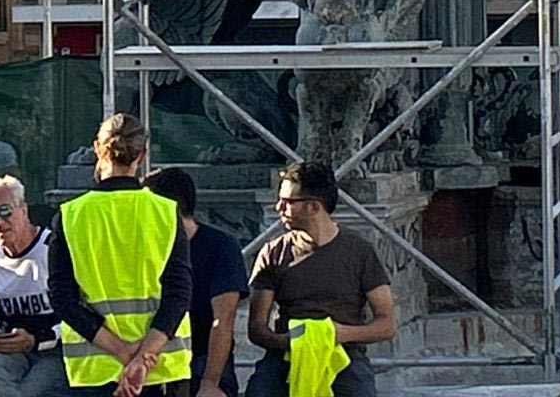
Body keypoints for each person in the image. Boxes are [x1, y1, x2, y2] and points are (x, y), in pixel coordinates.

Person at [48, 114, 192, 396]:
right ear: (142, 156)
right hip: (160, 368)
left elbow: (63, 300)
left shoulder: (71, 215)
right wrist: (141, 357)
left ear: (96, 149)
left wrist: (124, 353)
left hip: (96, 370)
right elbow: (179, 294)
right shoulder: (165, 212)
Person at [246, 162, 395, 397]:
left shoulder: (360, 252)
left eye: (288, 202)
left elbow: (386, 324)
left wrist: (340, 334)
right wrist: (287, 341)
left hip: (345, 354)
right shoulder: (273, 253)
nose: (278, 208)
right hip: (286, 354)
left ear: (314, 207)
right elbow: (256, 327)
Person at [142, 168, 248, 397]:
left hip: (203, 353)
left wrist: (210, 383)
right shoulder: (144, 246)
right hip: (152, 351)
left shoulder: (221, 246)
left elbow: (223, 320)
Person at [0, 175, 66, 397]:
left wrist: (36, 340)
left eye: (4, 211)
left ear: (23, 209)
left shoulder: (55, 250)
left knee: (30, 390)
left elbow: (82, 314)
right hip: (15, 352)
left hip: (60, 349)